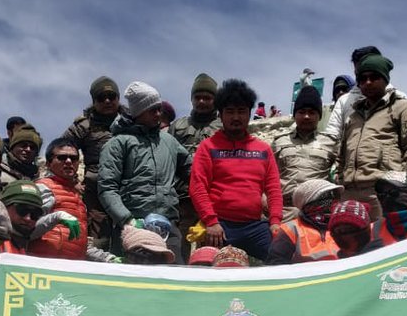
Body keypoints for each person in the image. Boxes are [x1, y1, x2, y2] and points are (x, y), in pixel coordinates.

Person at [191, 79, 283, 260]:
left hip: (255, 227)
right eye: (230, 111)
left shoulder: (263, 150)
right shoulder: (207, 147)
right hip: (219, 226)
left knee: (281, 257)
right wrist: (211, 222)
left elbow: (273, 189)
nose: (235, 117)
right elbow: (197, 187)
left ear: (249, 114)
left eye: (241, 111)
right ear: (220, 115)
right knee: (206, 267)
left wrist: (275, 222)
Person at [98, 81, 191, 256]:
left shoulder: (169, 142)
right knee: (131, 278)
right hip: (132, 225)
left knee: (173, 275)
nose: (158, 114)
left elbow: (193, 172)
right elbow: (107, 188)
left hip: (168, 225)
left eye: (159, 108)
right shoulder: (117, 143)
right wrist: (126, 220)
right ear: (138, 112)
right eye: (152, 110)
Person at [338, 52, 407, 207]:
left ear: (385, 80)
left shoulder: (402, 108)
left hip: (384, 194)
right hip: (349, 195)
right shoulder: (353, 116)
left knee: (383, 232)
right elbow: (342, 156)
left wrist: (405, 188)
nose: (368, 82)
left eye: (374, 77)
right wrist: (341, 180)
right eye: (363, 79)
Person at [64, 76, 121, 249]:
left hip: (126, 188)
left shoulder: (131, 122)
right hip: (95, 190)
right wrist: (73, 181)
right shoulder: (83, 126)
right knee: (99, 238)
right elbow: (61, 149)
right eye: (101, 98)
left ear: (118, 98)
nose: (107, 101)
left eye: (111, 96)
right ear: (93, 101)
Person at [169, 74, 222, 256]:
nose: (201, 101)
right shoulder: (178, 125)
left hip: (213, 197)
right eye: (197, 97)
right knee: (179, 246)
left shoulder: (223, 126)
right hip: (182, 196)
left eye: (207, 98)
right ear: (191, 99)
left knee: (211, 247)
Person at [272, 85, 336, 217]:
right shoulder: (279, 142)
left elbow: (341, 174)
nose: (306, 116)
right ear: (294, 115)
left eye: (312, 112)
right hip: (284, 212)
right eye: (301, 112)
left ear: (319, 116)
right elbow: (267, 175)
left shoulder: (332, 143)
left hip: (318, 211)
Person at [32, 138, 89, 261]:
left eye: (73, 158)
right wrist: (56, 217)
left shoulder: (78, 196)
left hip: (70, 270)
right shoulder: (43, 187)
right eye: (62, 158)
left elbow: (79, 240)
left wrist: (107, 258)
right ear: (48, 163)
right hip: (43, 265)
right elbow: (27, 230)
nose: (68, 161)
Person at [267, 179, 342, 264]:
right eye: (326, 197)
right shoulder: (291, 229)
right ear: (310, 203)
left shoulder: (343, 225)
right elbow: (276, 263)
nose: (333, 201)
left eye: (335, 196)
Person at [0, 180, 46, 255]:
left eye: (35, 214)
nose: (28, 218)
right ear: (4, 207)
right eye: (22, 210)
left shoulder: (20, 246)